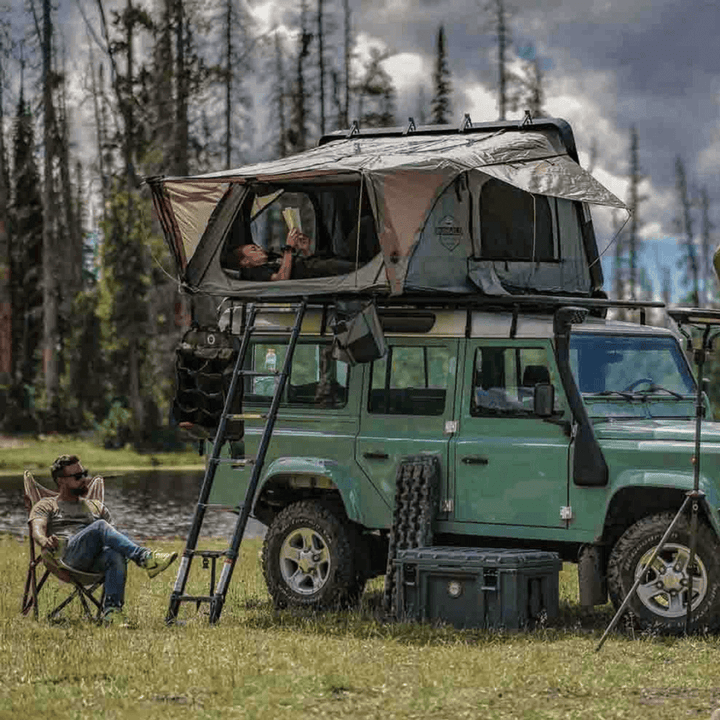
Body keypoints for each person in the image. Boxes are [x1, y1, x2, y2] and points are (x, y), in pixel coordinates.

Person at [29, 454, 178, 624]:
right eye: (78, 476)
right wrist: (44, 541)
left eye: (84, 473)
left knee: (115, 551)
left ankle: (112, 612)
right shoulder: (47, 504)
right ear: (61, 481)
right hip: (65, 558)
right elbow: (37, 529)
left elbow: (113, 536)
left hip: (94, 562)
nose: (84, 479)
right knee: (99, 526)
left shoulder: (95, 506)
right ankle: (145, 558)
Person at [234, 228, 356, 281]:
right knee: (353, 268)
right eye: (253, 249)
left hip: (316, 265)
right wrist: (288, 249)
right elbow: (281, 280)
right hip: (316, 271)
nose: (260, 249)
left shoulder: (272, 258)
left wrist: (305, 250)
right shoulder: (255, 272)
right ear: (245, 261)